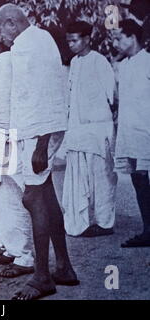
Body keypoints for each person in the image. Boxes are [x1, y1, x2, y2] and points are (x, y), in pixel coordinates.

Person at [0, 4, 79, 300]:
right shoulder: (32, 42)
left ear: (11, 23)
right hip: (34, 130)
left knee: (33, 197)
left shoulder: (33, 44)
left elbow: (49, 93)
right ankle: (64, 268)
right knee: (45, 194)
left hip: (39, 132)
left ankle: (42, 276)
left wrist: (42, 143)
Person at [0, 23, 34, 278]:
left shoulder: (8, 61)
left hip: (5, 138)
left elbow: (4, 107)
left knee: (11, 196)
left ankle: (24, 256)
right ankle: (8, 248)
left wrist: (3, 138)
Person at [62, 21, 117, 237]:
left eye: (75, 40)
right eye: (69, 41)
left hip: (98, 129)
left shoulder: (99, 61)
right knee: (78, 176)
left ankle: (105, 223)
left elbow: (111, 97)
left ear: (87, 39)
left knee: (102, 177)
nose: (71, 45)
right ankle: (79, 221)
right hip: (77, 129)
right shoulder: (74, 63)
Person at [112, 19, 150, 247]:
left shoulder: (148, 61)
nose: (115, 43)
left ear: (132, 37)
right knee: (138, 179)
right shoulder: (123, 66)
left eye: (118, 38)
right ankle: (148, 229)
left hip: (148, 131)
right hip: (130, 132)